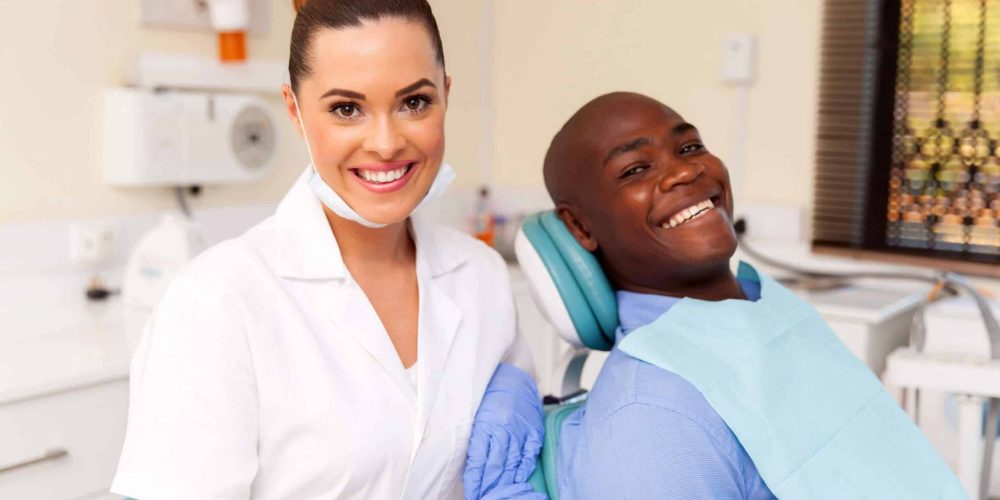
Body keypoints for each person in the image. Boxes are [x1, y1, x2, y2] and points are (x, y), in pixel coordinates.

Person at [110, 1, 537, 498]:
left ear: (446, 93)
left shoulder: (481, 277)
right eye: (346, 109)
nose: (385, 143)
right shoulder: (217, 302)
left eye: (414, 102)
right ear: (294, 110)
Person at [466, 92, 964, 499]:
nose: (685, 172)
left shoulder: (765, 306)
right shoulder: (654, 414)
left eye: (688, 148)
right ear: (580, 226)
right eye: (634, 170)